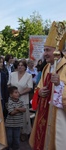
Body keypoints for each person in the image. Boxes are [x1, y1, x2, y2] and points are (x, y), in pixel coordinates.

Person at [29, 21, 66, 150]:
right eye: (44, 50)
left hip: (60, 116)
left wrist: (59, 84)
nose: (44, 53)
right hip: (44, 114)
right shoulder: (46, 68)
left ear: (57, 51)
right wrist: (39, 92)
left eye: (47, 50)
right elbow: (38, 88)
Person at [8, 60, 33, 137]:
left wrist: (19, 93)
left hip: (23, 98)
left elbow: (30, 87)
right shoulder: (12, 74)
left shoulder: (28, 76)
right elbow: (8, 85)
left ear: (25, 67)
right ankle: (14, 133)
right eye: (19, 65)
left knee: (24, 118)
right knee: (13, 115)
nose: (20, 66)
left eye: (22, 65)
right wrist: (12, 93)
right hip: (12, 100)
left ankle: (24, 133)